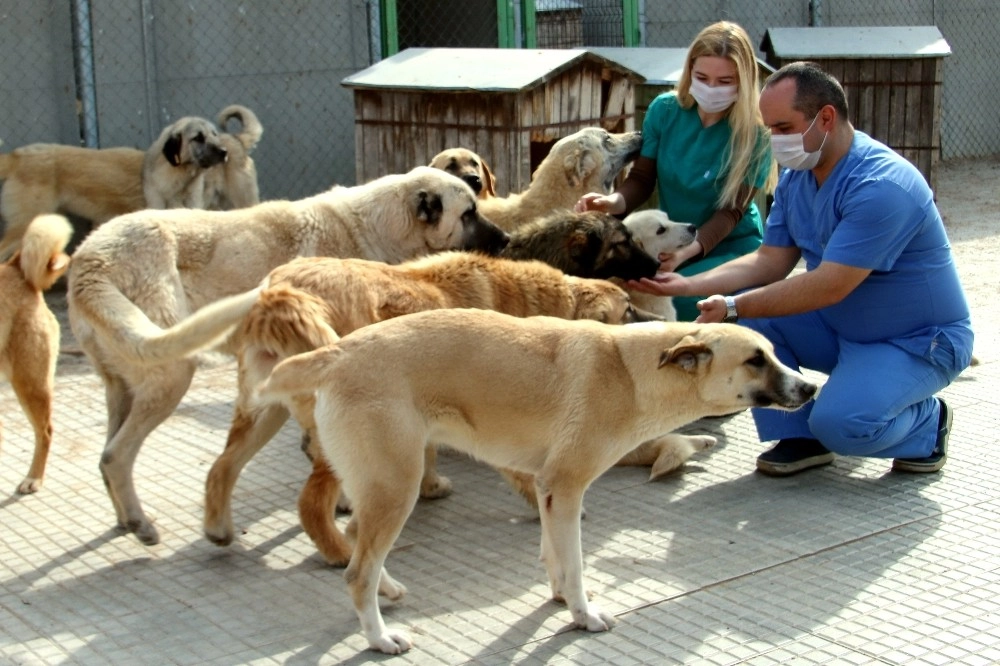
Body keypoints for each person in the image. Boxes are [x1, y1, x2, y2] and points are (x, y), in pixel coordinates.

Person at [628, 61, 974, 476]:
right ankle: (800, 436)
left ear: (825, 117)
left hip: (915, 342)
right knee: (755, 333)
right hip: (842, 327)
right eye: (768, 128)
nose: (772, 140)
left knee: (843, 424)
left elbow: (829, 285)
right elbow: (770, 259)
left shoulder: (883, 187)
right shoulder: (798, 176)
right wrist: (685, 285)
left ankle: (927, 424)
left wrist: (735, 306)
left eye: (782, 127)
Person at [575, 20, 776, 321]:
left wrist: (687, 252)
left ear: (744, 82)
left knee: (678, 300)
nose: (711, 88)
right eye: (702, 77)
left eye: (725, 81)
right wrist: (612, 203)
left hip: (730, 247)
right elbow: (642, 179)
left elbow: (731, 213)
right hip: (671, 243)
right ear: (689, 72)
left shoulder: (757, 133)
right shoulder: (665, 110)